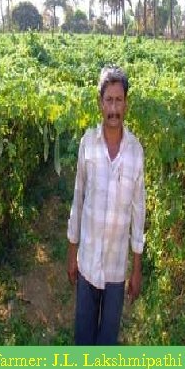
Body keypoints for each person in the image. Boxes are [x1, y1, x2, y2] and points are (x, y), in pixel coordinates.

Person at [66, 66, 145, 345]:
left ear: (126, 103)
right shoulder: (88, 144)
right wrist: (71, 252)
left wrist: (136, 268)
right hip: (87, 262)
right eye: (108, 100)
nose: (114, 108)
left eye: (119, 100)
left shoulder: (135, 152)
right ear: (101, 103)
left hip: (115, 269)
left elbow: (139, 212)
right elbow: (78, 199)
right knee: (83, 339)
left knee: (106, 343)